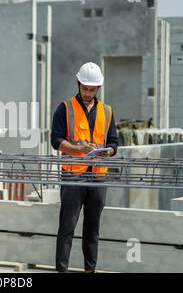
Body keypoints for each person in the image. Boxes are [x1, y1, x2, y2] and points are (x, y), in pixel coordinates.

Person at [50, 62, 119, 273]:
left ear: (98, 88)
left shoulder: (107, 111)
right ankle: (62, 270)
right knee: (67, 229)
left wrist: (109, 151)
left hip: (98, 178)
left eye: (92, 89)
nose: (88, 93)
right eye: (84, 88)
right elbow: (56, 140)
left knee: (92, 229)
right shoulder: (65, 108)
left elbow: (114, 142)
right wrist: (78, 149)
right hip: (73, 177)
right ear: (78, 84)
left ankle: (90, 270)